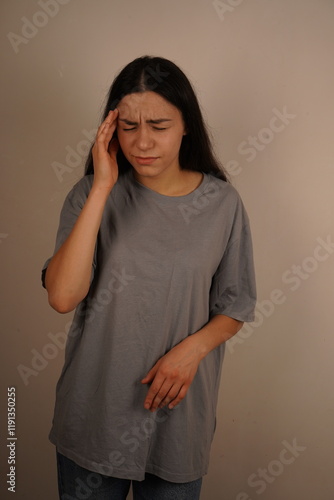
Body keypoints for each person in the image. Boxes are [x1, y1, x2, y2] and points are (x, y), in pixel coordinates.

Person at [42, 55, 256, 500]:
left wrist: (191, 351)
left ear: (185, 126)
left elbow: (235, 305)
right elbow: (63, 296)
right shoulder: (89, 194)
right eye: (128, 126)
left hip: (178, 419)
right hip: (94, 414)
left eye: (159, 126)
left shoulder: (222, 204)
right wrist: (102, 186)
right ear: (111, 129)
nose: (143, 142)